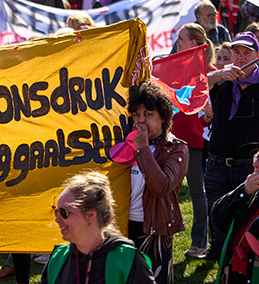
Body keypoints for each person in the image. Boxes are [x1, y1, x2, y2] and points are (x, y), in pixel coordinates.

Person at [205, 32, 259, 260]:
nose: (240, 57)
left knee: (245, 219)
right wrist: (219, 74)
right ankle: (219, 259)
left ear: (257, 56)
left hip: (250, 168)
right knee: (217, 215)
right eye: (236, 52)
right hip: (217, 165)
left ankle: (241, 260)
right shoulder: (221, 83)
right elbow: (193, 86)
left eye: (246, 52)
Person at [125, 81, 188, 284]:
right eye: (136, 115)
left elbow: (161, 187)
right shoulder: (125, 144)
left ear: (163, 117)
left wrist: (143, 148)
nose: (141, 121)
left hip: (154, 230)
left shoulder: (177, 149)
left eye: (148, 114)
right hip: (123, 226)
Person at [41, 171, 155, 284]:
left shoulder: (126, 260)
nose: (57, 219)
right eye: (56, 212)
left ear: (90, 214)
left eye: (64, 212)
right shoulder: (58, 258)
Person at [172, 23, 215, 258]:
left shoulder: (209, 72)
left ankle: (200, 243)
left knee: (197, 192)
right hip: (172, 138)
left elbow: (209, 117)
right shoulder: (175, 68)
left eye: (181, 39)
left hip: (195, 142)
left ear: (195, 44)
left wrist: (208, 116)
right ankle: (162, 237)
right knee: (166, 189)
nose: (177, 42)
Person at [212, 141, 259, 284]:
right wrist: (243, 191)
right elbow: (218, 219)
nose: (255, 164)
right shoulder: (252, 192)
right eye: (256, 158)